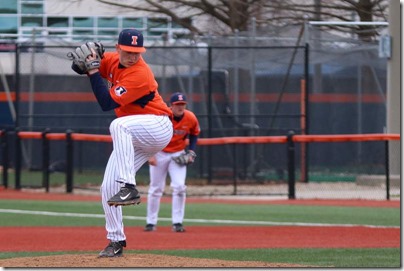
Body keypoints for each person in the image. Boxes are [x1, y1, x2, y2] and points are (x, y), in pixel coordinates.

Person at [69, 29, 173, 257]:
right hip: (136, 135)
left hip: (158, 127)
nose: (133, 56)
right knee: (107, 187)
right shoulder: (113, 61)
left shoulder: (140, 74)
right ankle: (115, 241)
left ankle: (130, 188)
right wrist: (85, 64)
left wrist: (93, 69)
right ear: (118, 48)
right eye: (128, 51)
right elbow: (81, 67)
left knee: (118, 125)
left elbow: (106, 102)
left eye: (137, 52)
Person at [145, 92, 200, 233]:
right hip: (160, 152)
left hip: (177, 154)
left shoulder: (190, 117)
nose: (180, 107)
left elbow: (195, 133)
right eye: (177, 105)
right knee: (156, 188)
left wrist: (191, 151)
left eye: (182, 104)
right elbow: (150, 134)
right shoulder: (163, 116)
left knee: (180, 186)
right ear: (171, 106)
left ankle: (177, 222)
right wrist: (150, 154)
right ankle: (150, 222)